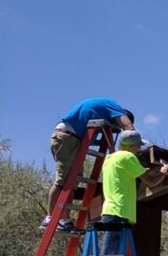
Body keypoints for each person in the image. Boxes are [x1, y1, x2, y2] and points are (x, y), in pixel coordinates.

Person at [88, 129, 168, 256]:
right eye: (138, 146)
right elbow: (150, 182)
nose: (139, 149)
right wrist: (163, 173)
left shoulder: (112, 158)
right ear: (132, 146)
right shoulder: (128, 158)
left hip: (112, 213)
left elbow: (134, 176)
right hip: (119, 215)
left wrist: (150, 171)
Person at [45, 98, 137, 232]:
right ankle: (50, 219)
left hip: (71, 139)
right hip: (67, 138)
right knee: (63, 179)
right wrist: (132, 147)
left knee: (72, 180)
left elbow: (90, 141)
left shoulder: (100, 113)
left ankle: (64, 220)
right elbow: (129, 128)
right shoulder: (115, 108)